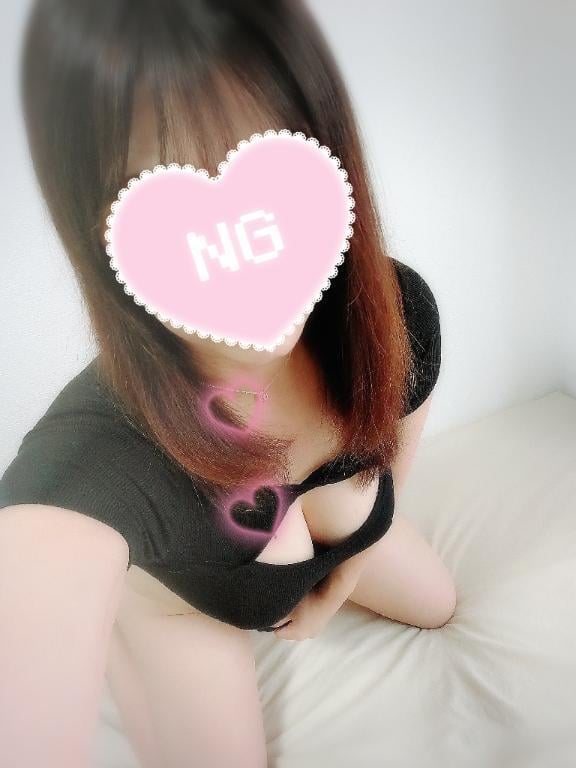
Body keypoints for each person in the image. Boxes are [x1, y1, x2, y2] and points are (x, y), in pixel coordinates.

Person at [0, 1, 456, 766]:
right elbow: (39, 558)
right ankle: (138, 621)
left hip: (322, 551)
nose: (231, 241)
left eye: (262, 155)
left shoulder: (393, 314)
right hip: (183, 605)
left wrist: (328, 598)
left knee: (439, 604)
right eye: (154, 187)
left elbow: (389, 476)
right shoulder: (100, 456)